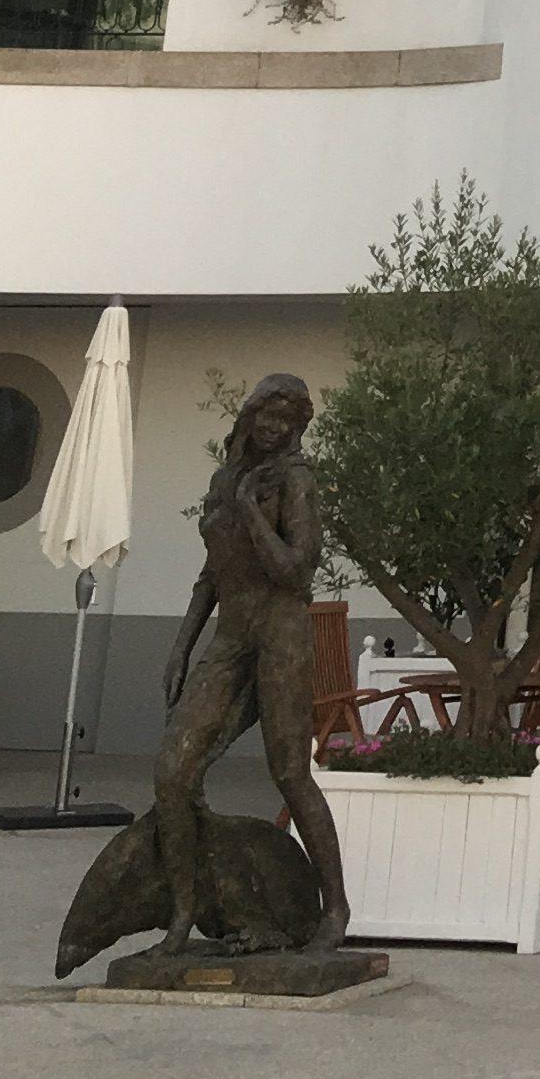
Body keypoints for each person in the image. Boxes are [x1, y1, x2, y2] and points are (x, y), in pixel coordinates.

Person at [152, 371, 348, 953]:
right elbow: (212, 573)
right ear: (252, 412)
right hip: (230, 635)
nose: (273, 424)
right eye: (267, 411)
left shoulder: (296, 480)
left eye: (287, 419)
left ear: (295, 429)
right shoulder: (225, 477)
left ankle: (334, 907)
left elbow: (294, 571)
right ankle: (184, 911)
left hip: (282, 632)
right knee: (172, 772)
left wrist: (250, 509)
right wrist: (182, 646)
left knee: (289, 773)